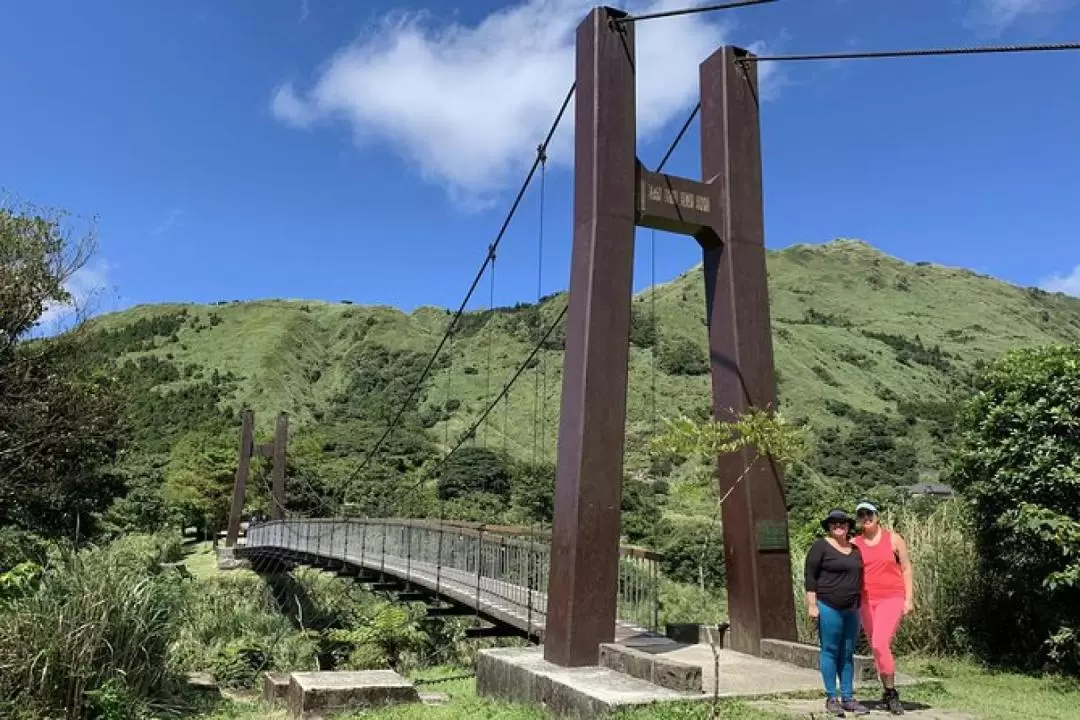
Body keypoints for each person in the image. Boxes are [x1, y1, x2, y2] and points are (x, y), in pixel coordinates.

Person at [804, 508, 869, 716]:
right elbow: (810, 577)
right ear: (829, 526)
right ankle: (832, 697)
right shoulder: (820, 547)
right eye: (833, 523)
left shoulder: (856, 549)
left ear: (848, 526)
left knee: (848, 653)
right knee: (830, 650)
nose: (838, 526)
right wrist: (812, 605)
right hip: (828, 605)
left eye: (842, 522)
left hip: (852, 608)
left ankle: (848, 697)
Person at [852, 501, 913, 715]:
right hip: (866, 601)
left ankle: (892, 692)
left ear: (877, 516)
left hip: (892, 598)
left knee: (879, 643)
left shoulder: (894, 539)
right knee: (877, 648)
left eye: (869, 513)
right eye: (862, 515)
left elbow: (906, 568)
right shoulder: (855, 544)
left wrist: (909, 599)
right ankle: (887, 693)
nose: (866, 518)